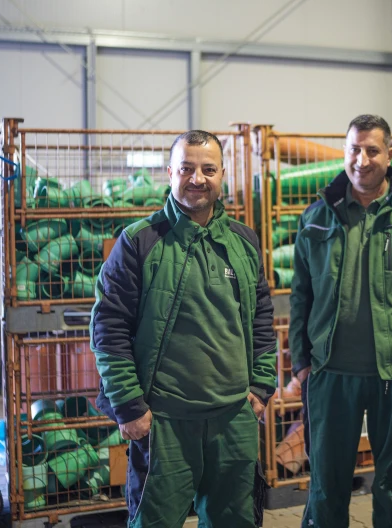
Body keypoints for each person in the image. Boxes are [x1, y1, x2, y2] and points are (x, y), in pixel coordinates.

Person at [90, 130, 276, 528]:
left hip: (233, 418)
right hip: (164, 424)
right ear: (170, 172)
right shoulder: (140, 241)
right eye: (187, 168)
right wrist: (129, 406)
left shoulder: (243, 241)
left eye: (208, 169)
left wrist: (260, 388)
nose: (198, 178)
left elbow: (262, 317)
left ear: (222, 174)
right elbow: (109, 326)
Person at [289, 114, 392, 528]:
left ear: (390, 154)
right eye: (354, 149)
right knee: (326, 484)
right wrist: (302, 364)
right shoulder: (315, 218)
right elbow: (301, 296)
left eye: (372, 150)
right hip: (329, 373)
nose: (362, 160)